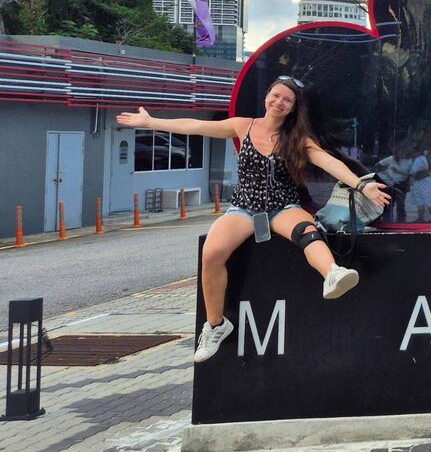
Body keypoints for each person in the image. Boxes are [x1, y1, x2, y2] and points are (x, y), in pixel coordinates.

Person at [116, 76, 390, 363]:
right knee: (211, 254)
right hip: (244, 208)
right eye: (276, 95)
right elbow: (195, 126)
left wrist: (362, 185)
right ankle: (216, 325)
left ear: (293, 108)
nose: (279, 102)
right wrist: (151, 122)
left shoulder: (298, 140)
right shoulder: (242, 126)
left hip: (283, 207)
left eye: (287, 100)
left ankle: (332, 273)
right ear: (267, 97)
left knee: (307, 232)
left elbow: (330, 162)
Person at [408, 150, 431, 222]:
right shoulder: (425, 159)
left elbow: (413, 173)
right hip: (426, 182)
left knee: (420, 200)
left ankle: (422, 218)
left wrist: (402, 173)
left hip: (421, 182)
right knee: (428, 200)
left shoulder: (418, 159)